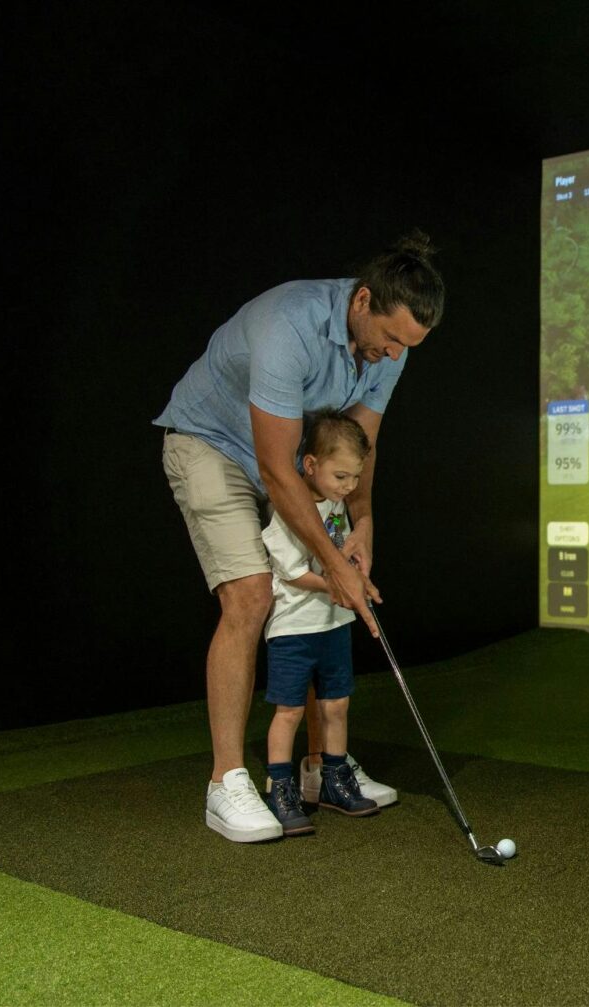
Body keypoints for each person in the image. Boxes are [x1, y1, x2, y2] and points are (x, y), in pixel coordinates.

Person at [156, 231, 444, 842]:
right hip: (214, 445)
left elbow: (354, 454)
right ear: (362, 301)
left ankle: (321, 769)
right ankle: (226, 782)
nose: (395, 356)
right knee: (252, 595)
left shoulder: (389, 351)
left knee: (323, 601)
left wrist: (360, 529)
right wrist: (333, 561)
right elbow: (273, 469)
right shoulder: (290, 324)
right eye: (391, 339)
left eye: (409, 347)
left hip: (301, 463)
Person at [261, 410, 380, 835]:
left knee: (337, 705)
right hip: (294, 630)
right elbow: (292, 572)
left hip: (333, 625)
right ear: (310, 465)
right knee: (290, 711)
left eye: (355, 478)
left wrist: (357, 577)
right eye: (341, 477)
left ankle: (333, 780)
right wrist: (336, 582)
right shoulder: (287, 511)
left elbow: (341, 556)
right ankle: (281, 787)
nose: (350, 488)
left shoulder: (336, 505)